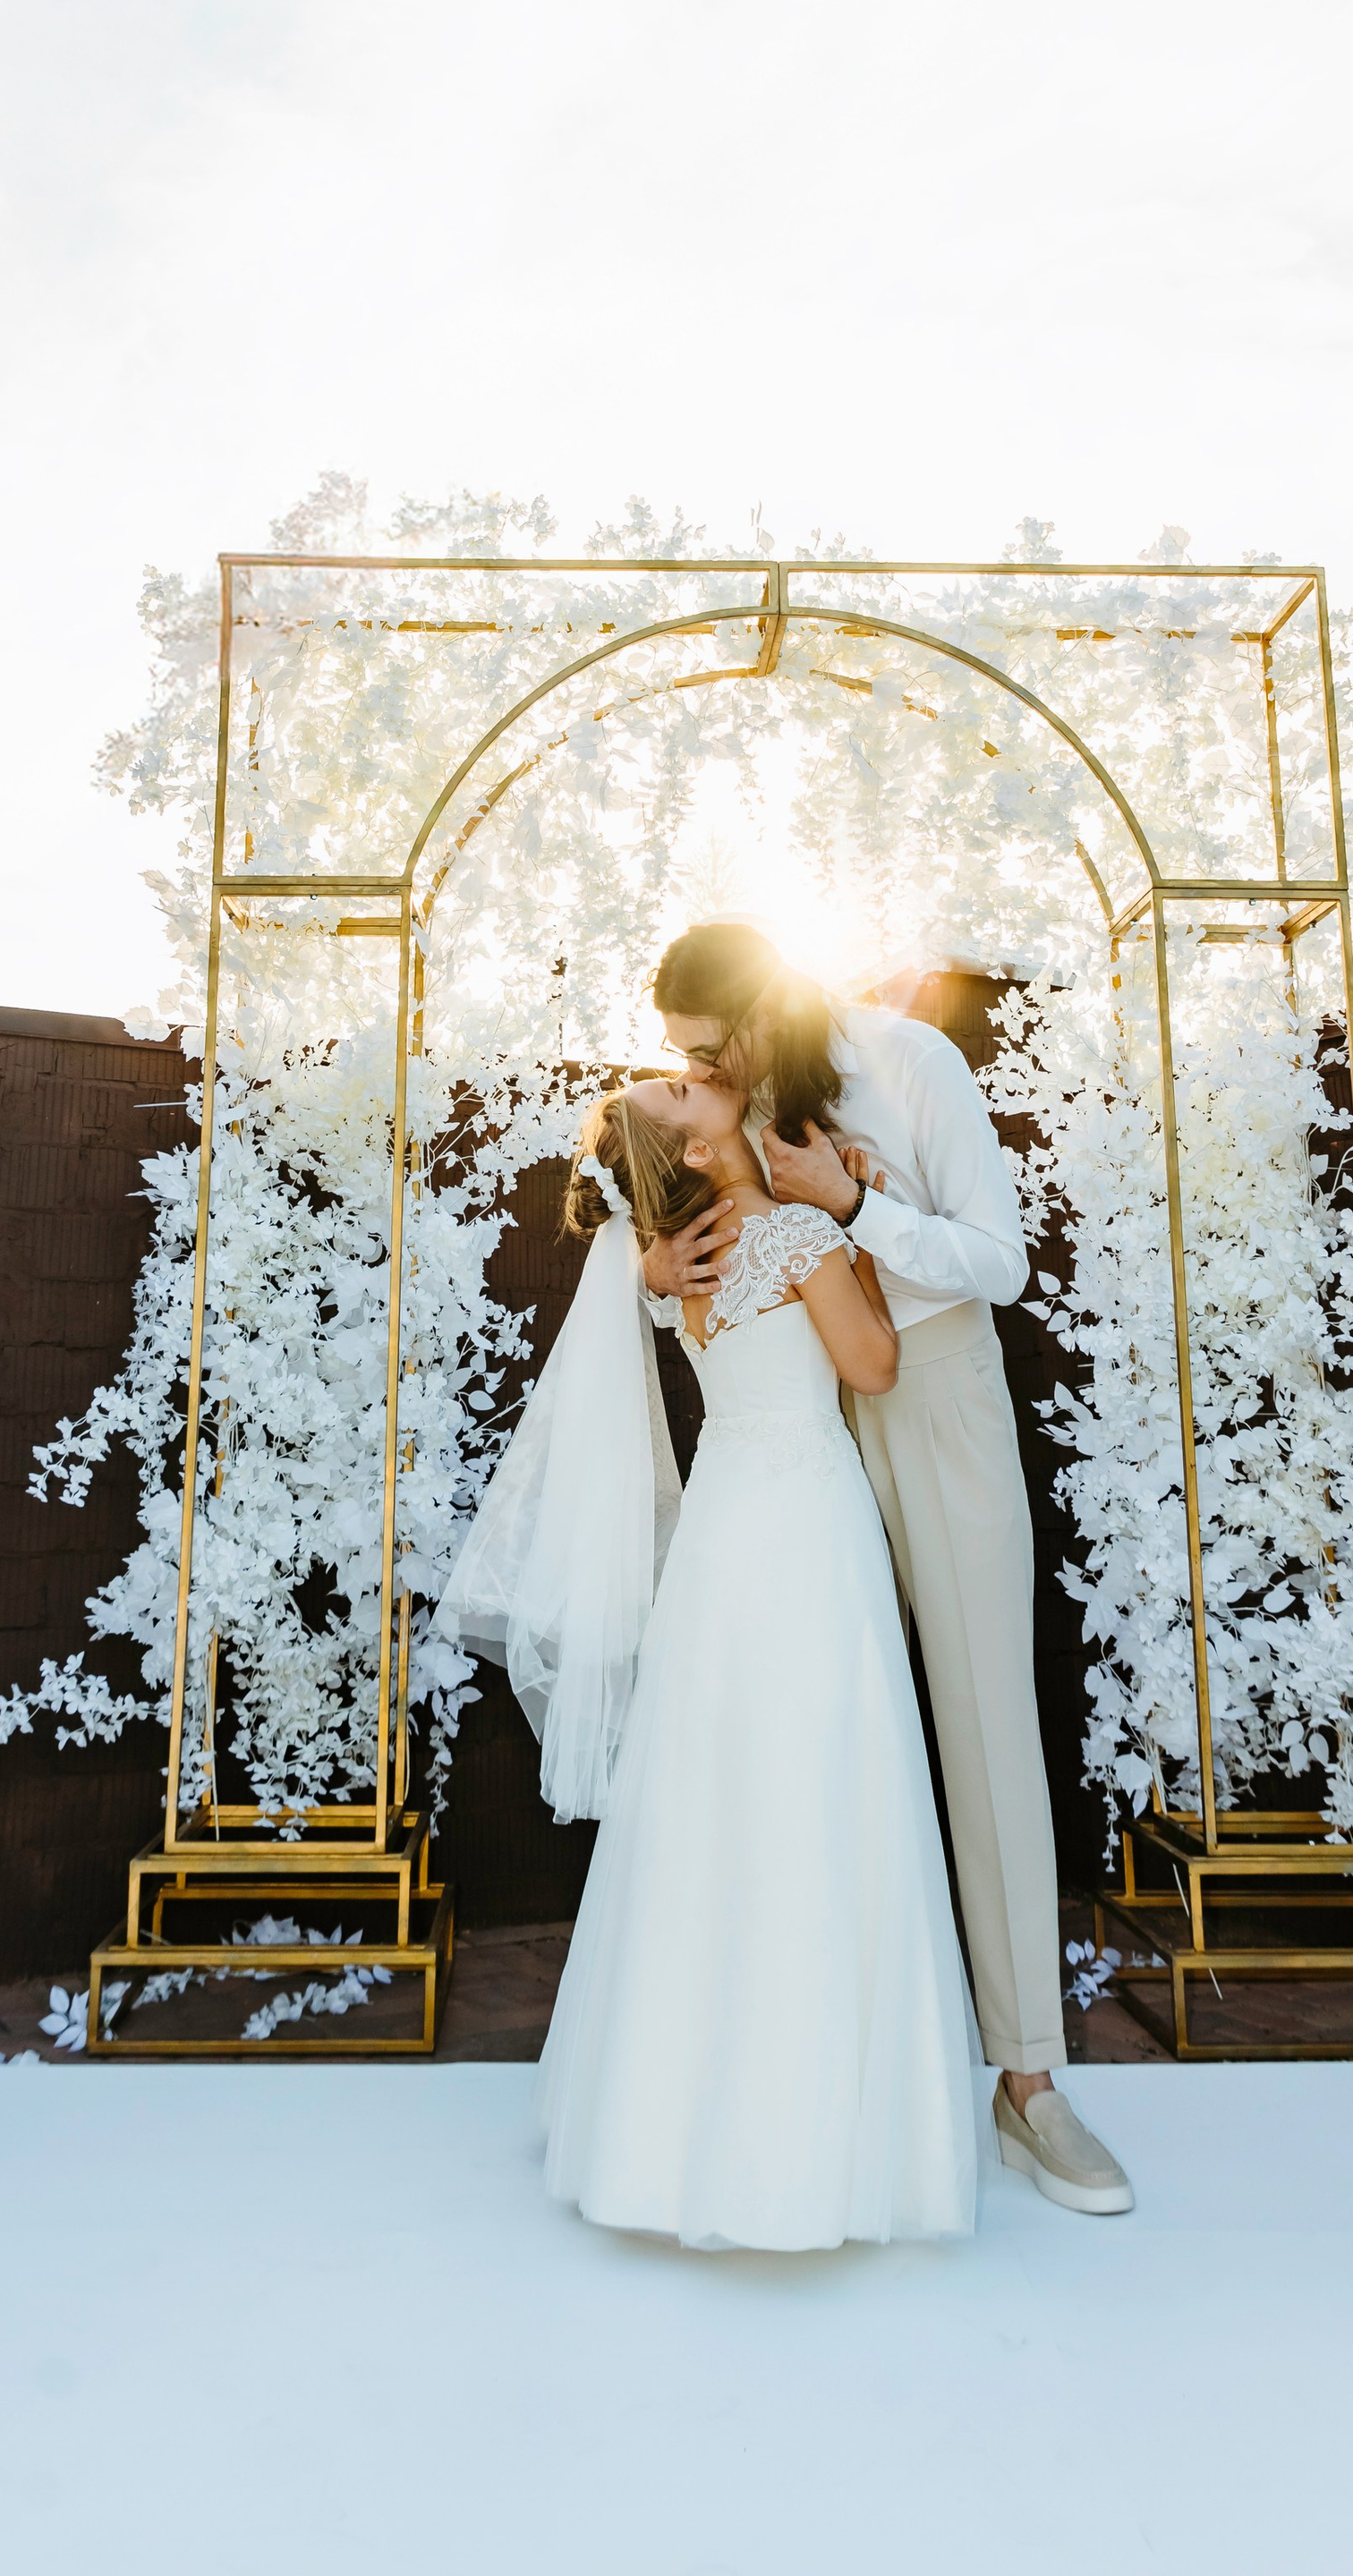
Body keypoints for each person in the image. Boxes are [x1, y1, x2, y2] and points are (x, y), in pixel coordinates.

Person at [437, 1068, 981, 2251]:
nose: (705, 1078)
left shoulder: (676, 1255)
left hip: (727, 1529)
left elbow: (657, 1299)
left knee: (716, 1792)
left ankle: (668, 2129)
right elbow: (874, 1367)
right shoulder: (788, 1232)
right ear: (689, 1136)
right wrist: (859, 1228)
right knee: (822, 1779)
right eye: (682, 1087)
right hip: (805, 1521)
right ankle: (828, 2132)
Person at [646, 920, 1135, 2218]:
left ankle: (1029, 2086)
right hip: (796, 1425)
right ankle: (822, 2074)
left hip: (933, 1393)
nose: (691, 1070)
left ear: (750, 1018)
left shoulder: (911, 1060)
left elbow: (1001, 1262)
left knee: (982, 1726)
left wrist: (857, 1207)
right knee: (807, 1738)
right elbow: (710, 1266)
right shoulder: (729, 1107)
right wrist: (656, 1271)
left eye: (702, 1047)